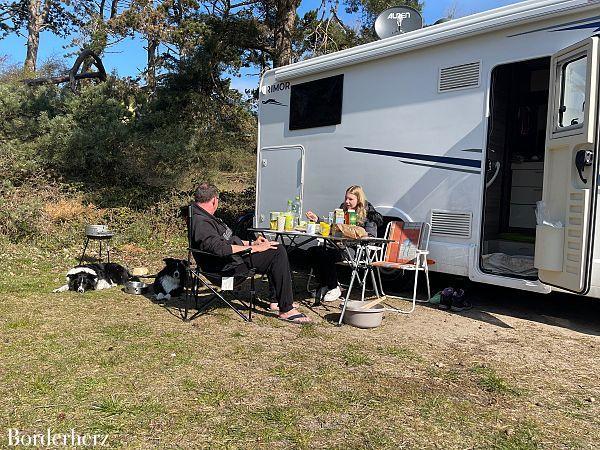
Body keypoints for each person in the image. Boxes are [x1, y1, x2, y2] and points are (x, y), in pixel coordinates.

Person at [190, 183, 310, 324]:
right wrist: (256, 249)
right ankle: (286, 309)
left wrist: (252, 244)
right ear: (214, 200)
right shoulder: (202, 222)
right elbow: (221, 249)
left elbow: (228, 241)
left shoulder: (204, 216)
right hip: (225, 269)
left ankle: (277, 301)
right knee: (277, 253)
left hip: (229, 261)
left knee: (274, 247)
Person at [305, 185, 383, 302]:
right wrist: (318, 220)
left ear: (359, 200)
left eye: (350, 199)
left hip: (357, 249)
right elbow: (333, 227)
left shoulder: (369, 214)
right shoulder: (342, 210)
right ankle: (325, 285)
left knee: (327, 255)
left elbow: (371, 237)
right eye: (346, 198)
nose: (347, 202)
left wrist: (357, 234)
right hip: (338, 246)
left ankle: (333, 287)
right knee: (313, 252)